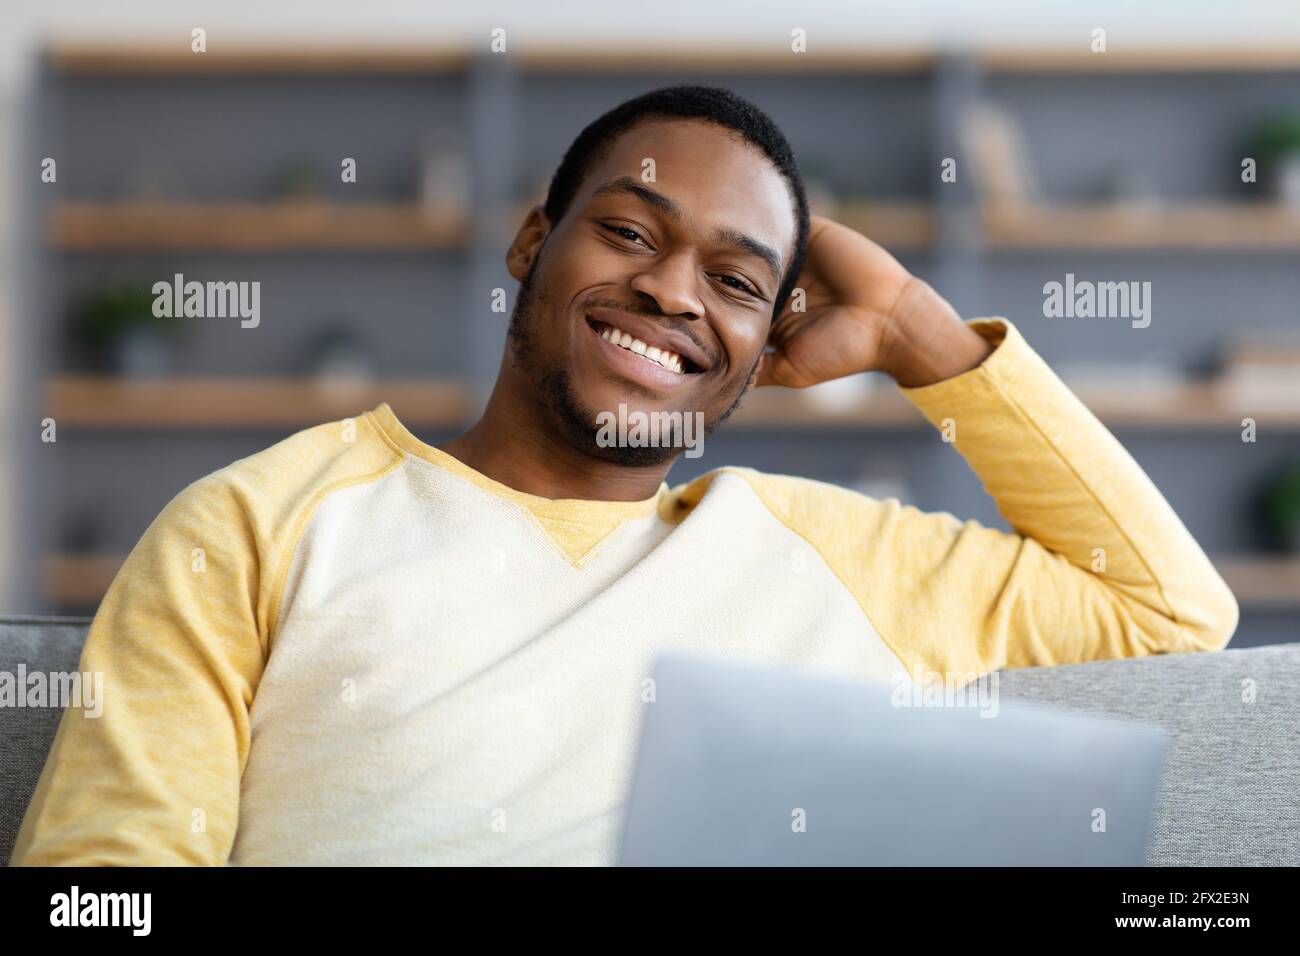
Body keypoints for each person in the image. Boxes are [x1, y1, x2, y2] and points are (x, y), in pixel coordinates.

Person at [13, 85, 1237, 867]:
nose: (671, 291)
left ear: (761, 353)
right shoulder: (257, 521)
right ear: (533, 242)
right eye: (632, 232)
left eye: (738, 282)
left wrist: (919, 327)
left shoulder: (844, 555)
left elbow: (1171, 615)